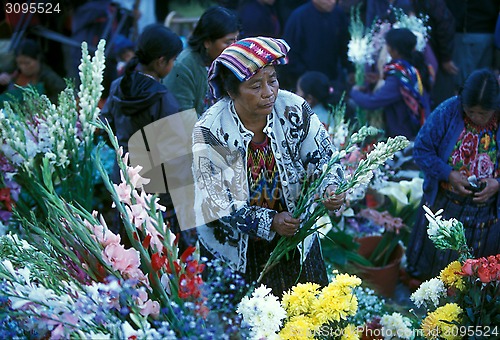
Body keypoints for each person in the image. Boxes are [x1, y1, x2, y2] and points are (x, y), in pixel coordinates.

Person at [191, 36, 346, 296]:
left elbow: (325, 157)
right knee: (250, 323)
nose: (269, 92)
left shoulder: (294, 109)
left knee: (311, 313)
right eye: (256, 86)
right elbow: (216, 202)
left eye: (272, 80)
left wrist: (331, 185)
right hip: (236, 248)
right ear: (232, 92)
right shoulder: (210, 130)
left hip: (295, 235)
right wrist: (269, 221)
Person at [405, 68, 500, 281]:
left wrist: (497, 184)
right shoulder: (448, 111)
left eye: (483, 114)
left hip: (486, 216)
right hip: (445, 204)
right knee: (430, 272)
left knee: (471, 279)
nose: (475, 117)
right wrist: (449, 174)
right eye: (470, 110)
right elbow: (422, 149)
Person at [100, 24, 183, 245]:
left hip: (124, 174)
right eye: (173, 60)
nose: (173, 65)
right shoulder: (163, 99)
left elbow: (103, 124)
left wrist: (123, 149)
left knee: (128, 234)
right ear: (161, 61)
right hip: (156, 182)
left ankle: (125, 279)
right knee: (156, 242)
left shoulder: (119, 85)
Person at [350, 28, 431, 140]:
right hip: (414, 129)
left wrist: (354, 92)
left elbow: (371, 102)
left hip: (403, 134)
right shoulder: (410, 70)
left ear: (395, 51)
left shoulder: (397, 77)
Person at [162, 6, 240, 117]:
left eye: (236, 40)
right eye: (228, 42)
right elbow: (183, 117)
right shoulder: (184, 66)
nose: (234, 47)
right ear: (207, 42)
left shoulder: (228, 63)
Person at [280, 0, 353, 92]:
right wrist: (304, 77)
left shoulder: (338, 14)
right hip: (305, 82)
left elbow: (345, 45)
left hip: (333, 78)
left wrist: (350, 69)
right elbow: (290, 52)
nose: (331, 2)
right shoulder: (299, 17)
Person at [0, 39, 66, 107]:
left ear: (38, 59)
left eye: (27, 63)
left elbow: (63, 95)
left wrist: (44, 103)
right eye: (20, 63)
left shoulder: (49, 77)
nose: (23, 67)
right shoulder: (13, 73)